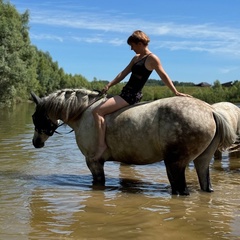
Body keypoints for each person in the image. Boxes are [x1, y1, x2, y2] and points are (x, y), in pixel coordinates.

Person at [92, 30, 191, 161]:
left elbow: (163, 75)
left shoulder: (152, 58)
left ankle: (101, 146)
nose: (131, 48)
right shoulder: (136, 58)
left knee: (97, 111)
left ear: (139, 43)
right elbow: (123, 73)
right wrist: (109, 85)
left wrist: (176, 92)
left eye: (132, 45)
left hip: (130, 96)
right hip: (125, 92)